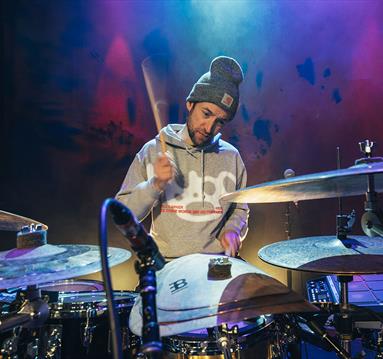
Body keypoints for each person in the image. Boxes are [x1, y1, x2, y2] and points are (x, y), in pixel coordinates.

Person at [116, 56, 249, 260]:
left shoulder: (231, 157)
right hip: (168, 266)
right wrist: (155, 184)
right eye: (206, 113)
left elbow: (240, 208)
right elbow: (123, 215)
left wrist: (232, 229)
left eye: (219, 122)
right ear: (190, 104)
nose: (209, 128)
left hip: (217, 264)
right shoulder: (153, 150)